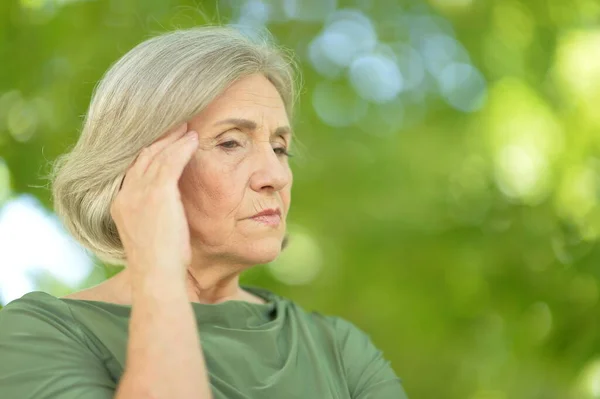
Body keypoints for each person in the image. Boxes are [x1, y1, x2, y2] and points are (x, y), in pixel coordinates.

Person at [0, 26, 408, 399]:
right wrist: (160, 267)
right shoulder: (38, 333)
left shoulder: (337, 348)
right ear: (139, 167)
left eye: (280, 148)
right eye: (231, 143)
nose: (276, 177)